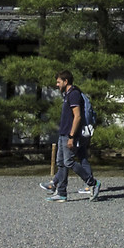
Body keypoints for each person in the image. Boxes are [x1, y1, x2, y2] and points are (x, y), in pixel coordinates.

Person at [39, 70, 101, 202]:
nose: (57, 84)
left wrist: (72, 136)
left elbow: (77, 116)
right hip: (63, 133)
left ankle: (92, 183)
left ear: (66, 81)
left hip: (70, 134)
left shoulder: (74, 94)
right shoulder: (67, 94)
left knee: (69, 161)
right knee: (61, 163)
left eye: (58, 82)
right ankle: (61, 193)